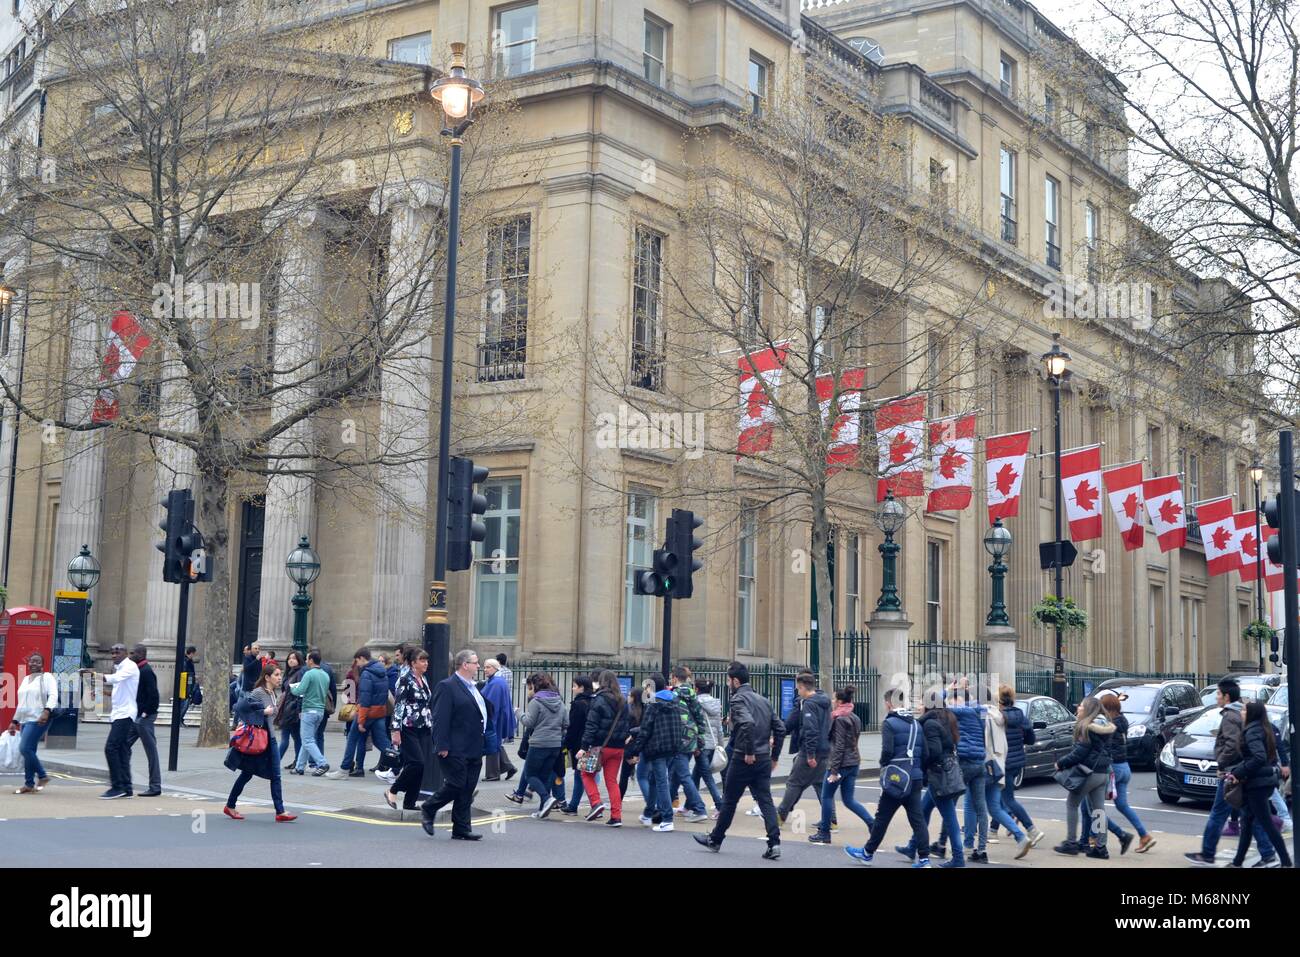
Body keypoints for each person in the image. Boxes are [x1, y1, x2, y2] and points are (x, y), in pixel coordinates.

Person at [694, 661, 786, 860]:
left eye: (728, 680)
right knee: (765, 800)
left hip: (744, 757)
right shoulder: (764, 700)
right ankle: (774, 843)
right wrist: (774, 757)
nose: (727, 684)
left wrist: (749, 751)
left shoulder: (737, 700)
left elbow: (747, 723)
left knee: (729, 801)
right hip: (762, 759)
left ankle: (715, 840)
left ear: (735, 681)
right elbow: (780, 729)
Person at [1186, 678, 1281, 865]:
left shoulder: (1230, 715)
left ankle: (1207, 853)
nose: (1216, 697)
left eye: (1219, 693)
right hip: (1241, 774)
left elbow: (1232, 745)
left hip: (1231, 774)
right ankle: (1268, 854)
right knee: (1250, 816)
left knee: (1218, 813)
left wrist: (1221, 762)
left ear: (1227, 696)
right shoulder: (1240, 713)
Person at [846, 688, 930, 867]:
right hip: (914, 777)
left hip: (897, 778)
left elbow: (887, 751)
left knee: (882, 817)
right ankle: (924, 859)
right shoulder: (916, 724)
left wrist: (884, 764)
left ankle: (867, 853)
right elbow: (926, 754)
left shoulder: (889, 723)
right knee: (918, 820)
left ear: (889, 703)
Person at [420, 649, 488, 841]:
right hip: (454, 746)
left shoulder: (473, 687)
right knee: (457, 784)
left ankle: (461, 828)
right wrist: (441, 744)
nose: (479, 666)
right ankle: (429, 807)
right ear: (465, 665)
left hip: (474, 745)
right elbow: (440, 718)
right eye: (475, 662)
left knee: (467, 788)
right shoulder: (447, 686)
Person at [223, 662, 297, 822]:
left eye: (280, 675)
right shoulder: (258, 692)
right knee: (254, 774)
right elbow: (240, 707)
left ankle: (279, 811)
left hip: (270, 740)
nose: (279, 678)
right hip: (259, 741)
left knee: (269, 775)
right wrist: (263, 711)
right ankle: (231, 806)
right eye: (276, 675)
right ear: (267, 677)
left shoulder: (272, 693)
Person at [899, 690, 965, 867]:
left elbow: (934, 751)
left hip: (939, 777)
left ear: (929, 705)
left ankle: (958, 858)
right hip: (945, 773)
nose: (919, 706)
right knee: (923, 811)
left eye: (921, 702)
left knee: (950, 819)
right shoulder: (948, 717)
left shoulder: (929, 724)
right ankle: (912, 847)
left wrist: (922, 765)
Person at [1229, 701, 1294, 868]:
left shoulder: (1252, 731)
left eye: (1244, 710)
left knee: (1265, 824)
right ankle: (1237, 862)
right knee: (1247, 823)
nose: (1241, 712)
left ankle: (1286, 862)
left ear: (1251, 714)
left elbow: (1258, 758)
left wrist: (1237, 772)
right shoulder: (1264, 728)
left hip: (1256, 784)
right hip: (1262, 782)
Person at [809, 684, 874, 844]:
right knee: (849, 800)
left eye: (833, 698)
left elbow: (838, 747)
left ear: (838, 701)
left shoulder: (839, 719)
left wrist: (833, 770)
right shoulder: (854, 717)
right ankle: (872, 823)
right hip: (853, 763)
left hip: (840, 765)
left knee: (826, 796)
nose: (831, 700)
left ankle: (824, 832)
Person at [1053, 696, 1115, 859]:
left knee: (1072, 804)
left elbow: (1080, 752)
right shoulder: (1106, 726)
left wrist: (1061, 763)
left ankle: (1071, 843)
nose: (1078, 708)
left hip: (1088, 772)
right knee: (1099, 810)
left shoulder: (1086, 727)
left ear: (1088, 709)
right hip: (1103, 772)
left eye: (1081, 706)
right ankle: (1101, 848)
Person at [1092, 693, 1154, 853]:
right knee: (1122, 805)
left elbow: (1104, 748)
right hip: (1125, 767)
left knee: (1094, 807)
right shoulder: (1123, 722)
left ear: (1107, 708)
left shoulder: (1109, 725)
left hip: (1112, 769)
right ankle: (1144, 835)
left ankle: (1099, 838)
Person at [627, 673, 681, 831]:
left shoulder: (654, 705)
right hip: (672, 746)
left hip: (657, 747)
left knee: (661, 782)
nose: (645, 691)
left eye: (647, 687)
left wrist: (635, 751)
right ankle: (648, 814)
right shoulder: (674, 701)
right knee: (653, 780)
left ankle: (667, 819)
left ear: (652, 687)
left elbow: (646, 730)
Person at [777, 673, 832, 826]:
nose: (797, 691)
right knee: (821, 784)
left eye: (798, 688)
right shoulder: (825, 701)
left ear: (802, 687)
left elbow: (811, 730)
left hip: (810, 750)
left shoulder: (808, 703)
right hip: (825, 748)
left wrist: (810, 754)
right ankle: (831, 820)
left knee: (793, 783)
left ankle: (780, 816)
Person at [511, 672, 569, 818]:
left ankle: (546, 798)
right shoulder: (559, 701)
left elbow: (529, 722)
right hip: (555, 744)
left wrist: (518, 713)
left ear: (535, 687)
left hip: (539, 744)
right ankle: (543, 810)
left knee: (530, 774)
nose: (529, 691)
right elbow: (566, 723)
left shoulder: (536, 702)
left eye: (530, 688)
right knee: (544, 777)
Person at [577, 669, 630, 826]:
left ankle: (596, 802)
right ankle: (616, 816)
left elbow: (591, 725)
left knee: (586, 774)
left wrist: (584, 746)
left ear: (601, 682)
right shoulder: (623, 701)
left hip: (600, 746)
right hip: (618, 747)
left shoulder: (599, 700)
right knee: (612, 781)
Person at [385, 648, 433, 811]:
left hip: (423, 727)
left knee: (421, 765)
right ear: (413, 663)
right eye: (422, 660)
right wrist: (395, 730)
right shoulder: (405, 679)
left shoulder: (423, 679)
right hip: (408, 726)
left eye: (426, 660)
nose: (425, 663)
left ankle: (409, 802)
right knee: (416, 763)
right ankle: (392, 790)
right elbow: (399, 705)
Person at [948, 680, 990, 863]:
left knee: (949, 803)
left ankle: (952, 844)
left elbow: (941, 707)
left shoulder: (963, 711)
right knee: (981, 807)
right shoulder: (981, 712)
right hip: (980, 762)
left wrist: (949, 689)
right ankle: (981, 850)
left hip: (965, 761)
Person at [1000, 686, 1046, 848]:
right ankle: (1009, 819)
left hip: (1002, 762)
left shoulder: (998, 717)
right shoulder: (1020, 715)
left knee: (1006, 799)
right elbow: (1031, 739)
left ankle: (1031, 829)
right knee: (1002, 798)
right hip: (1017, 762)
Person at [334, 648, 392, 778]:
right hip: (380, 711)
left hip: (367, 712)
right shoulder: (382, 671)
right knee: (382, 742)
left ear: (361, 658)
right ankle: (399, 763)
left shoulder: (366, 674)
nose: (357, 664)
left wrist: (361, 720)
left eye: (357, 660)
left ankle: (344, 769)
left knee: (352, 738)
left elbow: (365, 699)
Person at [667, 666, 709, 823]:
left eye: (672, 678)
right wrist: (700, 741)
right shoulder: (692, 694)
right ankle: (662, 806)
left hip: (679, 739)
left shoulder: (674, 695)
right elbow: (699, 718)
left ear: (676, 679)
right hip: (691, 739)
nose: (671, 680)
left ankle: (699, 808)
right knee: (675, 776)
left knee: (683, 775)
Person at [13, 652, 57, 794]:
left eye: (37, 662)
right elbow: (22, 703)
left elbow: (53, 695)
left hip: (39, 719)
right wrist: (14, 721)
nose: (33, 664)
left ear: (42, 665)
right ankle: (29, 784)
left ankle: (43, 776)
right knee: (29, 751)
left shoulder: (47, 677)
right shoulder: (26, 679)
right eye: (31, 661)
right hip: (25, 719)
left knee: (24, 749)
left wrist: (46, 711)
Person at [100, 643, 139, 799]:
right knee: (122, 750)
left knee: (111, 748)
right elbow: (119, 689)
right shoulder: (121, 668)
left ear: (126, 653)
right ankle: (127, 788)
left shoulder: (129, 666)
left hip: (125, 715)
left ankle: (117, 787)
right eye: (112, 652)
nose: (114, 655)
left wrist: (95, 675)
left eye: (118, 652)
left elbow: (114, 679)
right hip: (118, 714)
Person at [124, 645, 162, 797]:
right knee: (122, 746)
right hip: (136, 716)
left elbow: (154, 695)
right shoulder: (137, 670)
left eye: (133, 653)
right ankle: (124, 782)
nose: (130, 655)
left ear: (141, 654)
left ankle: (155, 786)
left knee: (151, 752)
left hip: (144, 718)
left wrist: (146, 714)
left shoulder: (146, 671)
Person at [288, 650, 332, 776]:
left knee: (307, 740)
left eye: (307, 659)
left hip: (309, 710)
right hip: (320, 711)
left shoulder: (308, 674)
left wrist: (293, 688)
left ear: (311, 661)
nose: (306, 661)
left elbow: (300, 691)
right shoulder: (325, 675)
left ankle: (322, 763)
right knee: (308, 740)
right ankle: (299, 767)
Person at [561, 675, 595, 815]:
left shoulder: (578, 704)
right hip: (591, 742)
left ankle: (579, 805)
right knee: (584, 775)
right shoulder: (593, 701)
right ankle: (575, 805)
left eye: (575, 686)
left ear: (581, 688)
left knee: (580, 775)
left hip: (579, 744)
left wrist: (566, 744)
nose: (573, 688)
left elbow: (573, 727)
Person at [480, 657, 518, 781]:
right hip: (497, 717)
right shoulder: (497, 680)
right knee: (495, 743)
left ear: (496, 668)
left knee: (492, 743)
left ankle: (493, 774)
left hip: (494, 718)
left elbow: (492, 704)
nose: (485, 669)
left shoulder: (496, 682)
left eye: (488, 667)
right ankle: (508, 766)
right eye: (484, 667)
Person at [692, 679, 725, 816]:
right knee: (695, 775)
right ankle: (689, 805)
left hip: (702, 745)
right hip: (713, 745)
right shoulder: (716, 704)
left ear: (697, 689)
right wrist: (721, 746)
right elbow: (719, 728)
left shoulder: (696, 703)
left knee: (708, 778)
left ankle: (720, 806)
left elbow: (694, 725)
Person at [276, 650, 306, 770]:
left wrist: (298, 709)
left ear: (299, 660)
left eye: (294, 658)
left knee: (286, 737)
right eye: (289, 658)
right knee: (295, 737)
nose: (291, 660)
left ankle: (276, 761)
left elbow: (300, 693)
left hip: (292, 709)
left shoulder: (299, 673)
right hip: (286, 708)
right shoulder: (289, 674)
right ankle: (297, 762)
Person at [619, 683, 646, 798]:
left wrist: (628, 755)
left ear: (635, 697)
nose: (628, 697)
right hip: (642, 746)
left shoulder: (628, 711)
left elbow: (625, 731)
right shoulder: (646, 710)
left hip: (630, 747)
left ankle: (618, 800)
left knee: (624, 776)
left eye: (630, 695)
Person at [176, 645, 200, 725]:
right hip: (185, 685)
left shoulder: (188, 661)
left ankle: (180, 719)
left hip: (187, 684)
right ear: (192, 653)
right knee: (185, 702)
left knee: (186, 702)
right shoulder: (186, 662)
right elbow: (186, 674)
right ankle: (179, 719)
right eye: (194, 654)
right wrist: (194, 678)